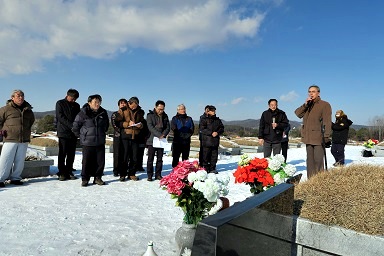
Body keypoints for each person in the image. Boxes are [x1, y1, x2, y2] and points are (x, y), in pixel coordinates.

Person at [295, 85, 332, 179]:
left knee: (318, 160)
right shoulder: (308, 105)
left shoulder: (324, 104)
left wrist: (326, 136)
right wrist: (305, 105)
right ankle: (311, 181)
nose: (311, 93)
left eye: (313, 91)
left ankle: (319, 181)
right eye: (309, 91)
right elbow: (298, 113)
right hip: (308, 137)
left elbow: (327, 121)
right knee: (310, 161)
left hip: (319, 137)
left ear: (318, 93)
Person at [72, 94, 109, 187]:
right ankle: (85, 179)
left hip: (99, 141)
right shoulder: (83, 113)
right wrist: (82, 136)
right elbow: (75, 126)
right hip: (87, 142)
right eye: (95, 102)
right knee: (87, 162)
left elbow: (106, 125)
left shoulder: (103, 112)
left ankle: (98, 177)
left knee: (100, 162)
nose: (97, 104)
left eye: (99, 102)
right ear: (89, 103)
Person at [0, 90, 35, 187]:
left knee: (20, 160)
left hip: (23, 139)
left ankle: (15, 178)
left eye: (22, 96)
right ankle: (0, 179)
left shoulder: (28, 110)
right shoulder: (5, 109)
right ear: (12, 98)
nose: (21, 97)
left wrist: (26, 130)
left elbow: (31, 121)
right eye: (18, 96)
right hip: (10, 138)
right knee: (6, 159)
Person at [116, 96, 145, 181]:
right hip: (125, 136)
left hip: (135, 136)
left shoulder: (140, 111)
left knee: (134, 157)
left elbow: (143, 122)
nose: (134, 107)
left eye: (135, 106)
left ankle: (132, 174)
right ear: (129, 103)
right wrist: (127, 123)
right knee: (124, 157)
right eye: (132, 106)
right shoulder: (123, 110)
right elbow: (118, 122)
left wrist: (141, 125)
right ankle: (122, 174)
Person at [55, 89, 81, 181]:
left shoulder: (76, 105)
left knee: (71, 153)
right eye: (72, 98)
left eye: (75, 99)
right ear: (67, 95)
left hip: (73, 133)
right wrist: (71, 125)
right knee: (62, 152)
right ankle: (61, 172)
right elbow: (60, 116)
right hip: (63, 131)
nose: (73, 100)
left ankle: (69, 170)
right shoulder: (60, 103)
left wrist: (77, 127)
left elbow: (78, 117)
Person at [146, 100, 170, 181]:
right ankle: (149, 175)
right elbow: (150, 126)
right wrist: (159, 134)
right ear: (155, 107)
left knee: (160, 159)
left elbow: (167, 127)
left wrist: (163, 134)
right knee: (150, 159)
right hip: (152, 139)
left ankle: (158, 174)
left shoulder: (165, 116)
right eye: (159, 109)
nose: (161, 111)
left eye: (162, 109)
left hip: (161, 141)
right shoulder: (150, 115)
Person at [199, 105, 224, 174]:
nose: (214, 112)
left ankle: (213, 168)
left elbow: (222, 128)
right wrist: (211, 133)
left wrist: (217, 132)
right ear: (208, 111)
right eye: (212, 111)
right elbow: (202, 129)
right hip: (206, 141)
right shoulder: (203, 119)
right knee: (205, 155)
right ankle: (205, 168)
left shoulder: (217, 120)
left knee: (214, 156)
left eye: (214, 111)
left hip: (215, 141)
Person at [110, 98, 128, 177]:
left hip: (126, 136)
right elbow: (114, 124)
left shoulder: (128, 114)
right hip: (117, 135)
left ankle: (123, 169)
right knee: (117, 153)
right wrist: (121, 130)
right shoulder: (115, 114)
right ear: (118, 105)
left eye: (124, 103)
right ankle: (116, 169)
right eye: (121, 103)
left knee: (125, 153)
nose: (123, 105)